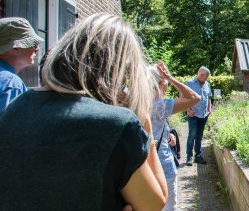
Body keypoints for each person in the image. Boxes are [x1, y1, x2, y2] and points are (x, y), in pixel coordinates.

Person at [0, 13, 168, 210]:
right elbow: (155, 203)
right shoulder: (116, 125)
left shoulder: (16, 108)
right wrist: (146, 130)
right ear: (116, 68)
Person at [149, 62, 200, 211]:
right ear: (159, 84)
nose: (168, 87)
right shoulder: (159, 105)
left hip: (142, 170)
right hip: (163, 168)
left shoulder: (133, 102)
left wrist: (168, 131)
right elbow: (194, 98)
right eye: (166, 84)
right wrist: (170, 77)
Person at [0, 17, 43, 111]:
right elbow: (7, 125)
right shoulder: (11, 83)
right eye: (34, 44)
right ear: (15, 47)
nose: (37, 48)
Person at [185, 66, 213, 166]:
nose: (206, 79)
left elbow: (209, 97)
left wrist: (209, 109)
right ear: (201, 74)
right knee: (191, 135)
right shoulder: (189, 83)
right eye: (206, 77)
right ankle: (189, 157)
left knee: (199, 136)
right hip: (193, 115)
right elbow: (183, 97)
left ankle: (198, 156)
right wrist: (188, 110)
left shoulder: (207, 84)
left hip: (204, 115)